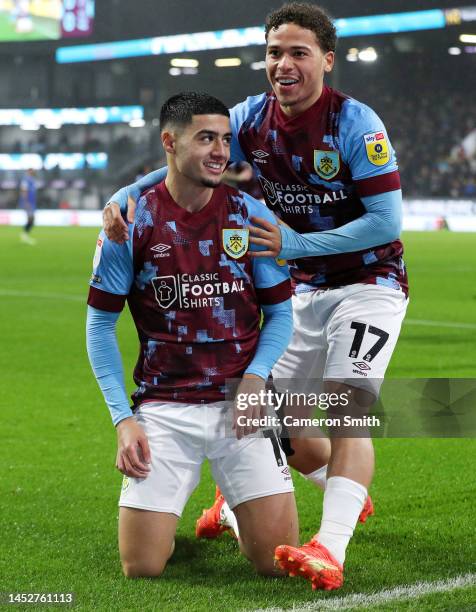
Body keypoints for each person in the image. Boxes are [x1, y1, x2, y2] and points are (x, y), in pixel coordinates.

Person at [102, 3, 408, 590]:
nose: (283, 63)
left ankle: (330, 544)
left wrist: (296, 243)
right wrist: (124, 196)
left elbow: (387, 222)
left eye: (298, 52)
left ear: (326, 60)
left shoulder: (355, 124)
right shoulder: (250, 117)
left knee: (347, 410)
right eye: (274, 52)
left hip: (367, 284)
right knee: (270, 418)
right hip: (301, 289)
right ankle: (318, 489)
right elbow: (189, 151)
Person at [86, 92, 299, 579]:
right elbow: (99, 326)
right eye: (205, 138)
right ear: (169, 142)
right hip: (164, 408)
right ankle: (219, 507)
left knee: (275, 562)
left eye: (225, 139)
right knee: (141, 567)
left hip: (239, 406)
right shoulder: (130, 224)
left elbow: (281, 316)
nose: (220, 151)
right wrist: (123, 420)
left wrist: (255, 379)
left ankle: (229, 509)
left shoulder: (252, 215)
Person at [19, 168, 37, 245]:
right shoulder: (26, 180)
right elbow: (24, 190)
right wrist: (26, 202)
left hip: (32, 202)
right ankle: (24, 235)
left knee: (32, 219)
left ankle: (24, 235)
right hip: (28, 203)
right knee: (31, 219)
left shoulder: (32, 180)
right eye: (30, 170)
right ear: (28, 172)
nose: (32, 172)